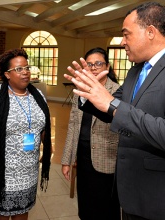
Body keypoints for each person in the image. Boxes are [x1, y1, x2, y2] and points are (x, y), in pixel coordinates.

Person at [64, 2, 165, 220]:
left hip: (163, 200)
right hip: (131, 194)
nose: (122, 42)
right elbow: (112, 109)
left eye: (126, 34)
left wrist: (113, 104)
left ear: (150, 32)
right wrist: (88, 94)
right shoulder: (137, 70)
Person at [0, 48, 52, 220]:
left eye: (27, 67)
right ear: (7, 74)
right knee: (1, 213)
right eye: (19, 69)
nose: (25, 72)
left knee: (22, 210)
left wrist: (48, 147)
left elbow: (43, 126)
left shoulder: (37, 95)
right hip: (2, 169)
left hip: (29, 169)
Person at [61, 47, 121, 220]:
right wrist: (67, 159)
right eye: (89, 64)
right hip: (84, 158)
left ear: (107, 67)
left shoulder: (117, 92)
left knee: (106, 209)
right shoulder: (80, 92)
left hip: (107, 160)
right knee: (86, 206)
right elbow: (73, 125)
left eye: (98, 64)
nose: (94, 68)